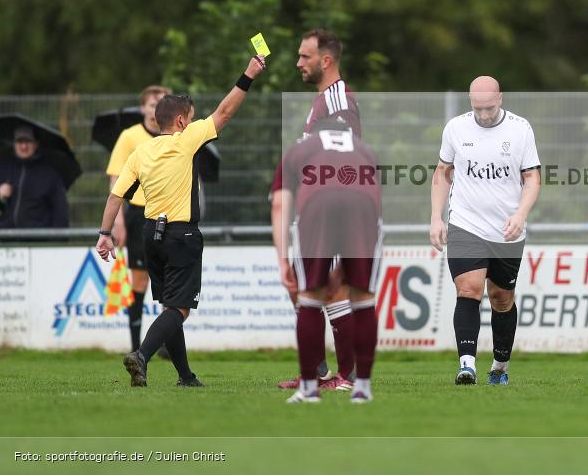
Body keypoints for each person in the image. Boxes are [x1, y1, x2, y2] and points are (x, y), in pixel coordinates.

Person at [95, 53, 266, 387]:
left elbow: (116, 194)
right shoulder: (186, 140)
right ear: (182, 122)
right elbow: (225, 112)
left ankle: (186, 377)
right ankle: (141, 355)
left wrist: (104, 233)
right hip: (181, 236)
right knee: (180, 310)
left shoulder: (140, 152)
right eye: (192, 117)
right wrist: (248, 74)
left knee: (169, 307)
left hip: (150, 235)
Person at [430, 76, 541, 386]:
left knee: (501, 298)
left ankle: (500, 366)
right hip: (466, 223)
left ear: (501, 98)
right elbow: (442, 173)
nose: (484, 115)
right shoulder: (456, 128)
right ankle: (467, 366)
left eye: (489, 108)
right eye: (478, 109)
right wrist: (436, 218)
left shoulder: (521, 129)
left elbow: (532, 178)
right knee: (468, 289)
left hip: (507, 229)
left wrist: (520, 214)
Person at [271, 29, 362, 392]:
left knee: (330, 290)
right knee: (302, 287)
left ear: (325, 60)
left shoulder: (338, 98)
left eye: (304, 56)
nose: (298, 63)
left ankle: (347, 376)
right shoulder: (322, 100)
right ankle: (318, 371)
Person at [279, 117, 382, 404]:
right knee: (361, 298)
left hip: (316, 210)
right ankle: (356, 383)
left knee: (312, 296)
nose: (301, 67)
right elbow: (374, 198)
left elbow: (280, 204)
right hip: (362, 212)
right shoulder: (365, 150)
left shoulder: (301, 147)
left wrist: (282, 258)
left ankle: (319, 383)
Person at [106, 85, 171, 353]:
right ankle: (137, 346)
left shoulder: (176, 137)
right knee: (140, 280)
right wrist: (118, 221)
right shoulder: (130, 136)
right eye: (152, 103)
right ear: (143, 107)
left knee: (171, 280)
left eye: (162, 102)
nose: (156, 107)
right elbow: (115, 177)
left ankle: (169, 344)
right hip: (138, 214)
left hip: (170, 214)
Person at [0, 125, 69, 229]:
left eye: (28, 141)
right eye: (19, 141)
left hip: (37, 241)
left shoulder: (50, 175)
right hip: (5, 240)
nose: (24, 146)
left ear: (36, 144)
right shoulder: (3, 169)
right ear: (14, 144)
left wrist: (56, 241)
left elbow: (60, 213)